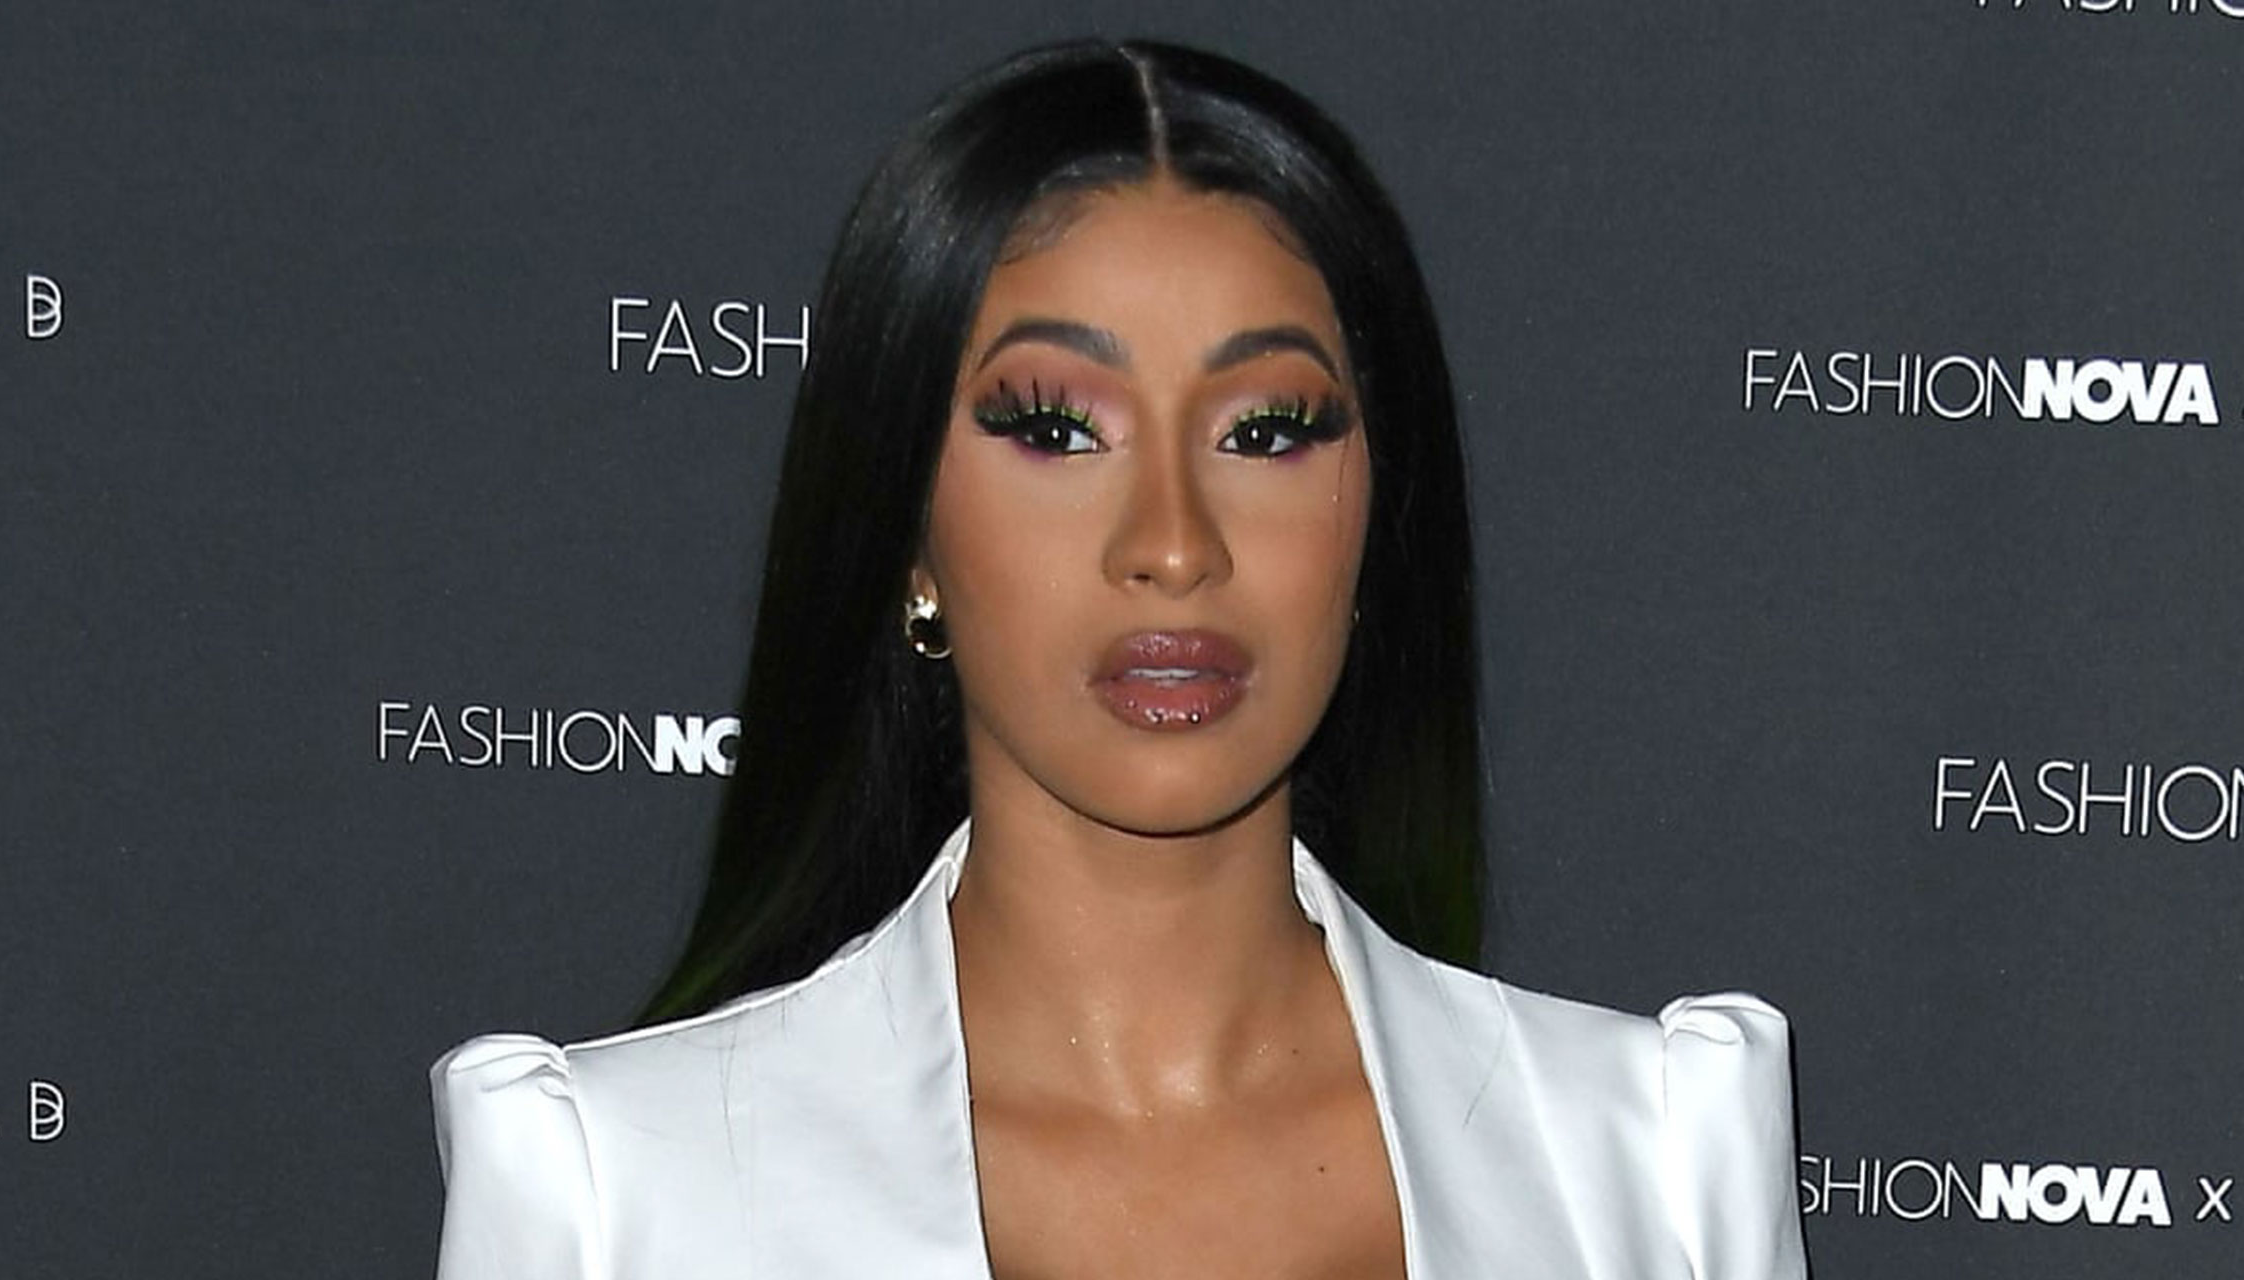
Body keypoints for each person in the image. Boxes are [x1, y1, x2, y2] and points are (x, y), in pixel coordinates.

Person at [430, 38, 1806, 1280]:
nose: (1173, 545)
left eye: (1266, 431)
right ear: (905, 529)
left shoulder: (1653, 1163)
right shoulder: (619, 1195)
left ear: (1379, 512)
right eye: (1055, 429)